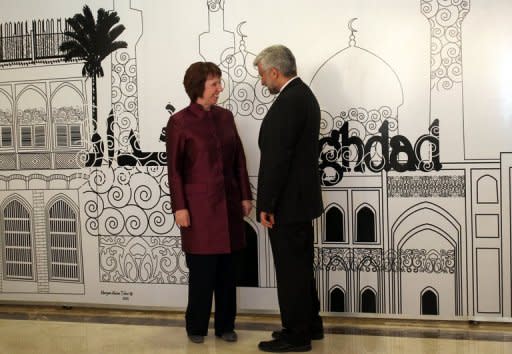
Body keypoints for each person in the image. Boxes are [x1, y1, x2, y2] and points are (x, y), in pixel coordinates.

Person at [166, 62, 253, 344]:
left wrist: (245, 195)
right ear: (198, 87)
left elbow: (239, 159)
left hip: (228, 206)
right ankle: (196, 327)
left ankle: (226, 325)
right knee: (202, 272)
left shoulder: (226, 117)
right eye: (214, 83)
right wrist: (179, 207)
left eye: (219, 82)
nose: (220, 89)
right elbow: (174, 170)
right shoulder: (179, 122)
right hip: (198, 210)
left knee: (228, 271)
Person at [254, 45, 324, 352]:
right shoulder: (302, 95)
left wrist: (266, 204)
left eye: (262, 75)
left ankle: (297, 335)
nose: (261, 82)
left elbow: (277, 159)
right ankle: (310, 325)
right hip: (298, 201)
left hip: (287, 204)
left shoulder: (290, 101)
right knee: (300, 268)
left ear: (274, 71)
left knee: (291, 271)